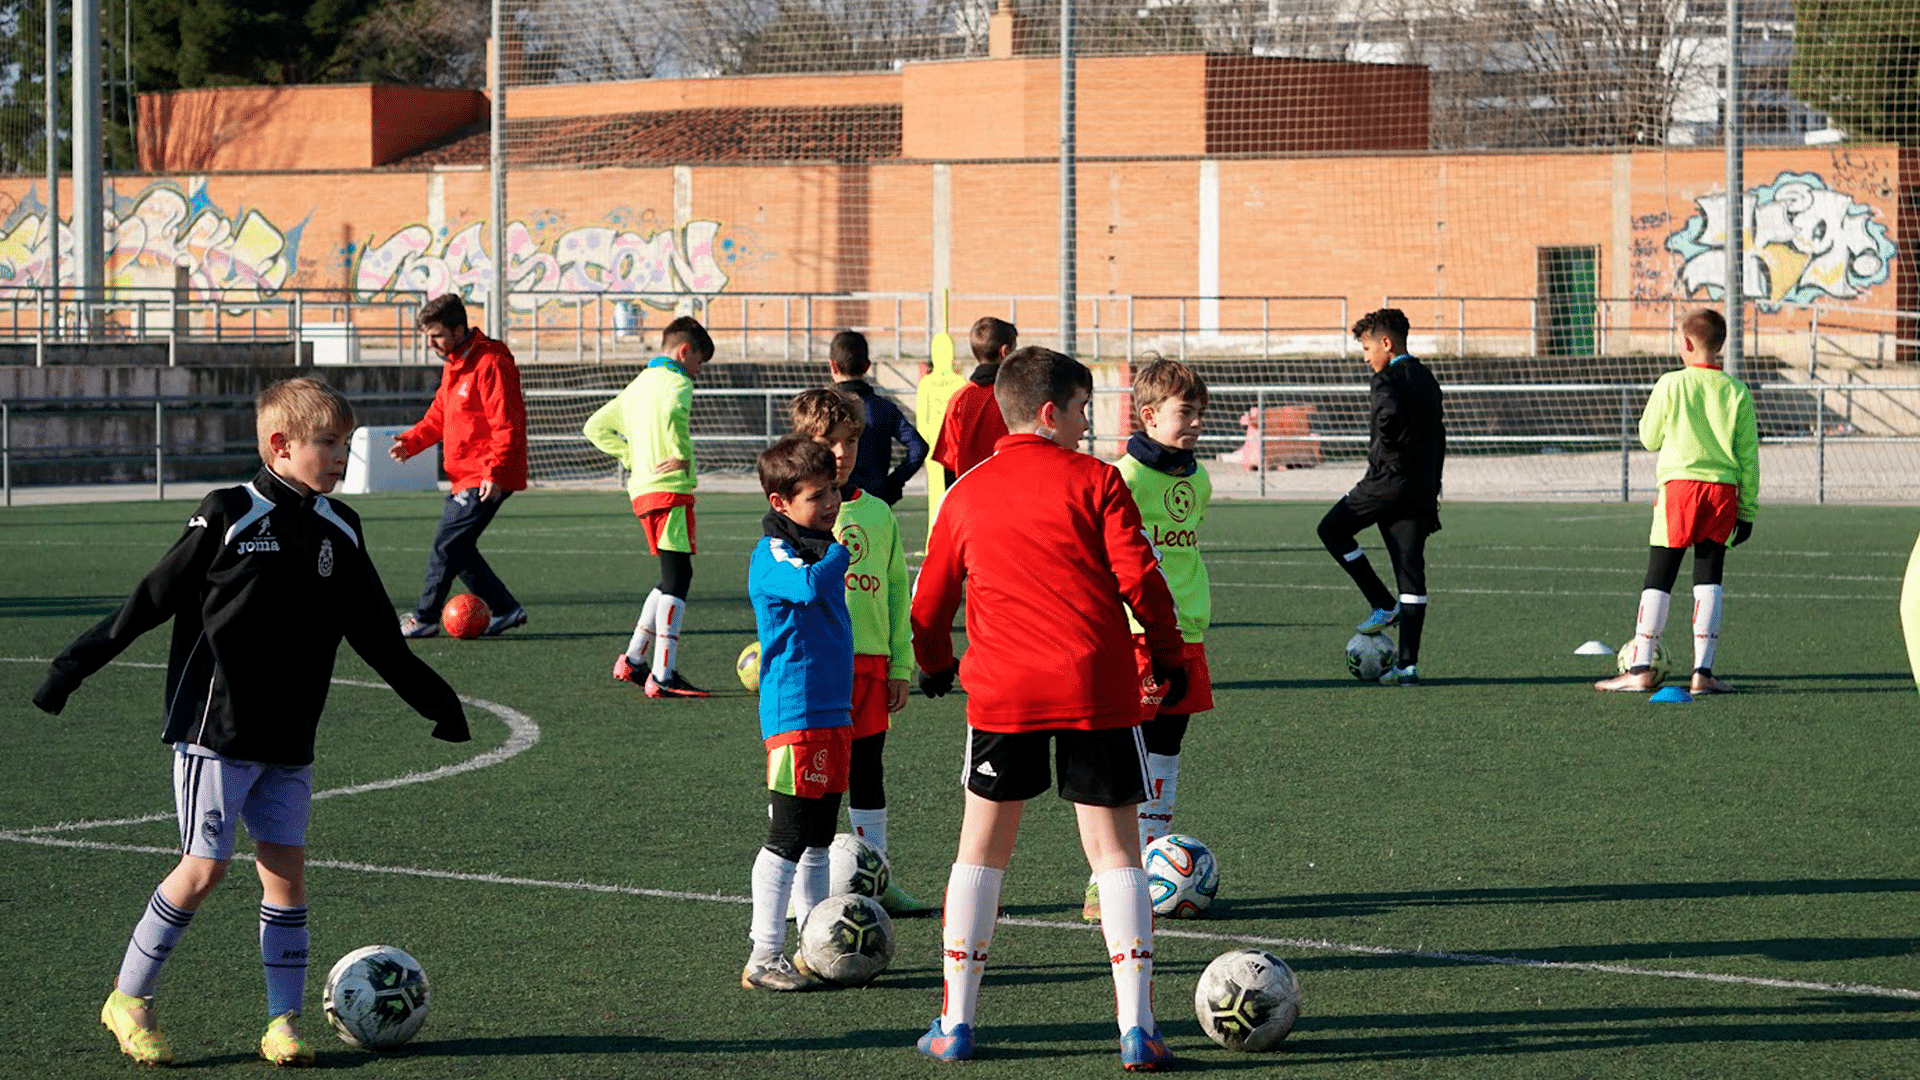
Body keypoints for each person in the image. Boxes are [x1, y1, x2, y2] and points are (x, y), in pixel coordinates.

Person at [31, 378, 470, 1068]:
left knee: (285, 874)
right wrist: (70, 669)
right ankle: (130, 998)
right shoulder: (229, 513)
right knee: (205, 867)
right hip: (217, 731)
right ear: (280, 445)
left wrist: (437, 701)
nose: (340, 458)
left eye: (346, 445)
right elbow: (149, 599)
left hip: (290, 735)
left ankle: (283, 1024)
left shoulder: (341, 528)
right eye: (328, 444)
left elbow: (378, 635)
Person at [911, 347, 1188, 1070]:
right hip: (1096, 687)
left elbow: (929, 605)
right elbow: (1143, 580)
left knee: (982, 848)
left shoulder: (967, 492)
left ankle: (956, 1024)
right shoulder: (1096, 480)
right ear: (1049, 412)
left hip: (1004, 694)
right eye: (1082, 408)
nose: (1087, 422)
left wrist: (936, 666)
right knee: (1116, 852)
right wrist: (1167, 652)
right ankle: (1138, 1027)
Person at [788, 388, 938, 916]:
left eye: (849, 441)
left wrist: (901, 664)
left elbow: (898, 592)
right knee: (812, 776)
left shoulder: (877, 512)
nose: (840, 453)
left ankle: (877, 877)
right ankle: (802, 887)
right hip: (818, 668)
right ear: (803, 445)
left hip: (872, 664)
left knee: (868, 771)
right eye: (828, 442)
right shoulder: (797, 519)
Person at [1084, 356, 1217, 924]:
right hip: (1137, 633)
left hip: (1188, 633)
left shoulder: (1200, 479)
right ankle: (1104, 880)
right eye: (1185, 413)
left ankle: (1151, 861)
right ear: (1148, 416)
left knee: (1168, 747)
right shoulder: (1123, 478)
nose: (1195, 424)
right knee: (1127, 752)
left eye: (1199, 413)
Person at [743, 435, 856, 990]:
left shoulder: (814, 543)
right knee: (786, 837)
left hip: (834, 711)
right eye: (816, 496)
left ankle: (815, 946)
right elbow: (808, 588)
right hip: (796, 715)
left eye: (833, 491)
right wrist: (838, 550)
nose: (830, 505)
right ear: (780, 502)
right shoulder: (774, 555)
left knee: (819, 838)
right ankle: (764, 955)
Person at [1596, 307, 1757, 694]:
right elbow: (1748, 456)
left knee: (1660, 577)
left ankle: (1640, 669)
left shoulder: (1671, 384)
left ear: (1685, 343)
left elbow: (1649, 438)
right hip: (1721, 492)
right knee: (1709, 578)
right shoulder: (1737, 391)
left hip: (1679, 489)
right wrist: (1748, 509)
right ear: (1720, 345)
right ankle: (1703, 673)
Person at [584, 315, 716, 698]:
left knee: (670, 576)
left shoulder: (636, 386)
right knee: (679, 579)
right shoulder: (677, 383)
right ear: (684, 351)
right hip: (669, 489)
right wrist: (682, 454)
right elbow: (675, 412)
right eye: (698, 363)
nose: (697, 373)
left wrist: (630, 455)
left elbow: (594, 427)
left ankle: (633, 660)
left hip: (641, 490)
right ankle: (663, 674)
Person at [1316, 307, 1445, 685]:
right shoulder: (1427, 378)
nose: (1364, 356)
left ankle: (1380, 601)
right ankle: (1407, 667)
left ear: (1387, 344)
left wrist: (1386, 456)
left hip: (1387, 482)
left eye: (1367, 347)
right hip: (1422, 489)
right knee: (1411, 574)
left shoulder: (1386, 379)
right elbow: (1438, 436)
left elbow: (1387, 418)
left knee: (1331, 530)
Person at [391, 293, 529, 639]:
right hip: (465, 475)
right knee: (459, 549)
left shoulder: (492, 363)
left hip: (485, 475)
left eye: (436, 335)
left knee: (446, 545)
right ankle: (505, 609)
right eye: (428, 336)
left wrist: (494, 473)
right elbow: (440, 416)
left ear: (457, 329)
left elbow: (507, 423)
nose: (431, 343)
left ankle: (424, 617)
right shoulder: (455, 364)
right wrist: (412, 442)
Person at [828, 329, 928, 505]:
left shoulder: (824, 409)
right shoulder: (884, 408)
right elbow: (918, 447)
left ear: (833, 366)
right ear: (867, 366)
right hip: (876, 500)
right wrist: (894, 482)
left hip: (834, 500)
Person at [929, 316, 1018, 486]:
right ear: (1005, 351)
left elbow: (948, 460)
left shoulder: (959, 398)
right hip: (1008, 492)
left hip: (969, 495)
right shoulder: (1016, 396)